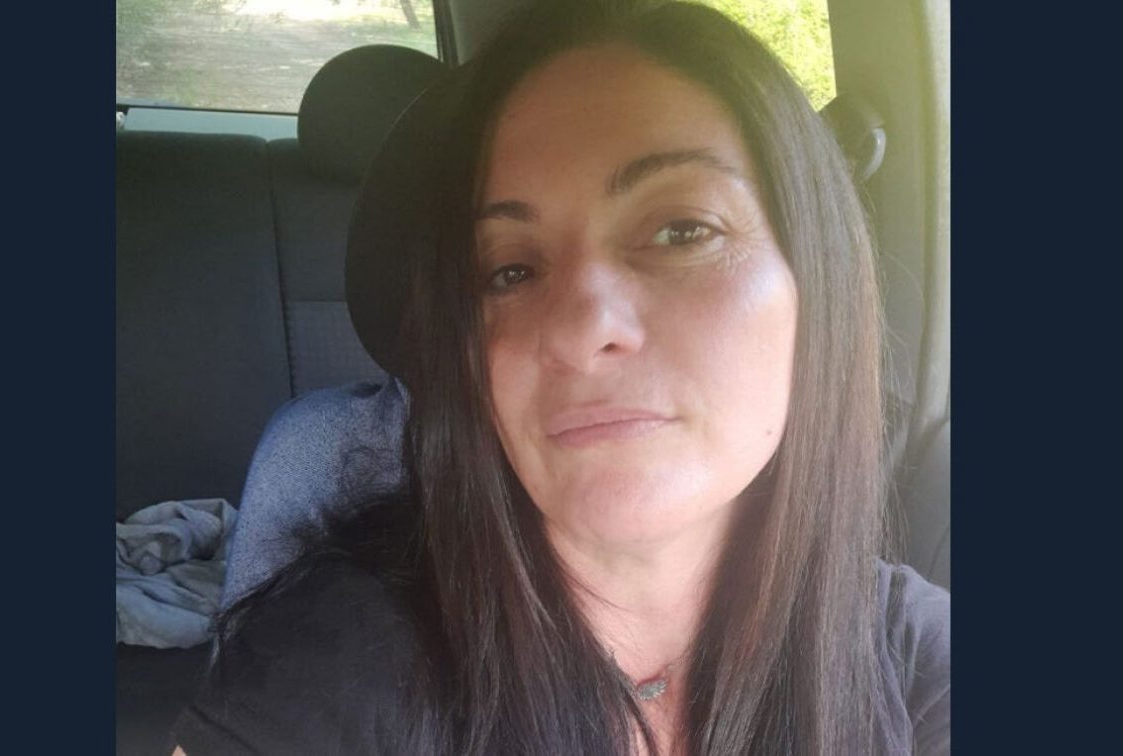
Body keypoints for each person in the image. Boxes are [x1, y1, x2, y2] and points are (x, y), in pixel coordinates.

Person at [171, 1, 950, 754]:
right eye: (509, 271)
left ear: (818, 281)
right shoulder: (338, 664)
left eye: (682, 230)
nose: (581, 331)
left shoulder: (916, 658)